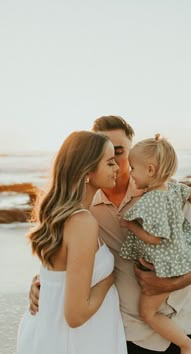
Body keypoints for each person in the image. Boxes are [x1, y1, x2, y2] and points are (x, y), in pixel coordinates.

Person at [29, 116, 191, 353]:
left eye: (119, 152)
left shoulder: (165, 192)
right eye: (107, 155)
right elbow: (65, 258)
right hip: (133, 336)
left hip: (187, 323)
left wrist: (170, 282)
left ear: (132, 151)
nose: (116, 164)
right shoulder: (86, 211)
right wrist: (43, 283)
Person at [119, 133, 191, 354]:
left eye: (133, 168)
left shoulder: (149, 200)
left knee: (148, 312)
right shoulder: (174, 189)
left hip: (163, 265)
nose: (130, 173)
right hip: (181, 252)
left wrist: (131, 225)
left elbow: (155, 238)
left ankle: (186, 344)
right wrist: (183, 200)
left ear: (150, 170)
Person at [16, 131, 127, 354]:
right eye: (109, 162)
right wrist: (110, 278)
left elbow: (59, 276)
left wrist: (39, 283)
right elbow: (75, 315)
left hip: (55, 334)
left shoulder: (62, 214)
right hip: (76, 342)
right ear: (88, 171)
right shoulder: (81, 221)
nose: (117, 167)